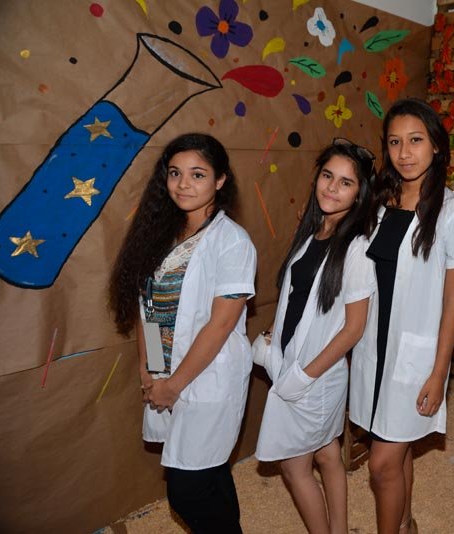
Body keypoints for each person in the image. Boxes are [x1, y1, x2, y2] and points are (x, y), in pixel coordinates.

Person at [108, 133, 256, 533]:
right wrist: (151, 370)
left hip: (208, 376)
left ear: (220, 180)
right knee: (210, 473)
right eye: (175, 173)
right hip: (168, 374)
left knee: (186, 490)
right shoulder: (160, 235)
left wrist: (174, 385)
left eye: (197, 174)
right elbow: (150, 308)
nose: (183, 184)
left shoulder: (233, 242)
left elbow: (222, 324)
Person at [349, 98, 454, 534]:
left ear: (436, 145)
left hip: (416, 356)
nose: (404, 153)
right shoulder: (377, 202)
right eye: (395, 142)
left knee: (381, 464)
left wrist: (440, 372)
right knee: (396, 448)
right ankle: (404, 525)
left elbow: (453, 301)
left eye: (416, 140)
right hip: (373, 345)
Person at [255, 139, 377, 534]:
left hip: (317, 376)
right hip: (297, 362)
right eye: (328, 176)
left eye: (345, 183)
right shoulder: (314, 231)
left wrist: (305, 375)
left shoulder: (357, 247)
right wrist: (275, 333)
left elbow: (354, 327)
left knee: (294, 468)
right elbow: (298, 297)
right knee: (326, 454)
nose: (332, 188)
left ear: (359, 194)